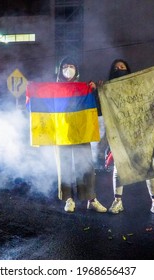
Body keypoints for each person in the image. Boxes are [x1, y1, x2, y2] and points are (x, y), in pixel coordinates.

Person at [103, 58, 154, 216]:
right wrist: (99, 89)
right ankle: (118, 201)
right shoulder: (107, 89)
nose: (120, 68)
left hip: (139, 133)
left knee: (148, 167)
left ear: (128, 69)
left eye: (123, 66)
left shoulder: (136, 86)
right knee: (119, 167)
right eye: (116, 67)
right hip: (120, 135)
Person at [54, 56, 107, 213]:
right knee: (64, 166)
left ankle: (91, 198)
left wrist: (96, 91)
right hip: (61, 131)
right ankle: (68, 199)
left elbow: (95, 108)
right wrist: (34, 90)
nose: (68, 69)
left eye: (71, 66)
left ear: (77, 70)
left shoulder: (83, 88)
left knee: (86, 164)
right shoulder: (53, 89)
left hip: (81, 130)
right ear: (60, 70)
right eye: (65, 66)